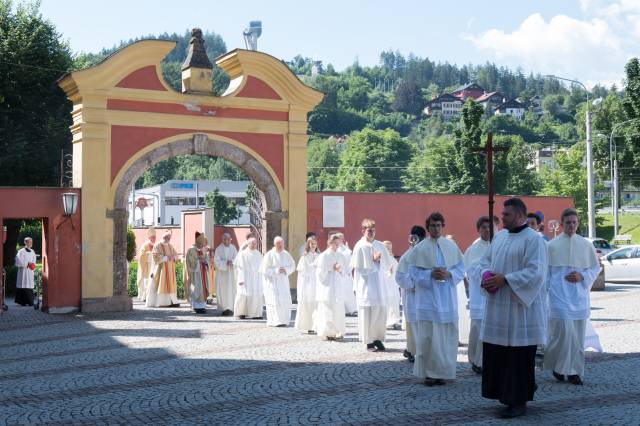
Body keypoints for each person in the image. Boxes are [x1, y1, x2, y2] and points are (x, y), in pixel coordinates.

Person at [479, 198, 548, 419]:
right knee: (500, 355)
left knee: (517, 358)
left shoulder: (534, 240)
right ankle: (503, 395)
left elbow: (536, 272)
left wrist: (506, 280)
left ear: (520, 216)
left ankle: (519, 400)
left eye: (506, 214)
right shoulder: (498, 238)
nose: (502, 217)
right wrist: (486, 276)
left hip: (520, 312)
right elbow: (483, 263)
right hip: (498, 310)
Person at [407, 212, 465, 386]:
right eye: (433, 225)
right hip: (428, 298)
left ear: (443, 226)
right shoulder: (419, 248)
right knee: (429, 337)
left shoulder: (451, 246)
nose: (436, 228)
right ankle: (429, 373)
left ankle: (443, 372)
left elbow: (461, 268)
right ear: (428, 227)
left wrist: (450, 273)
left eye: (439, 225)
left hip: (447, 297)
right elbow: (413, 272)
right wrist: (429, 273)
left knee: (446, 337)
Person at [544, 208, 600, 386]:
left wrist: (582, 276)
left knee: (576, 336)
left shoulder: (586, 245)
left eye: (574, 222)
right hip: (558, 296)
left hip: (579, 296)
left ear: (578, 223)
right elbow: (545, 272)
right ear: (561, 225)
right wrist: (547, 291)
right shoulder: (550, 246)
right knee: (562, 334)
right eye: (568, 223)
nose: (571, 226)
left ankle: (575, 371)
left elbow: (594, 268)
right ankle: (559, 367)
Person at [351, 218, 393, 352]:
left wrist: (387, 267)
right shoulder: (360, 246)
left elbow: (387, 264)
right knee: (367, 313)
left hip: (379, 285)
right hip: (367, 285)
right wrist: (374, 261)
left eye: (373, 231)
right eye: (369, 231)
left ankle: (378, 338)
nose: (372, 233)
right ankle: (368, 341)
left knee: (380, 312)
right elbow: (361, 269)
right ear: (363, 231)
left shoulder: (380, 245)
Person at [463, 216, 492, 374]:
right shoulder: (473, 249)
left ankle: (488, 361)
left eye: (489, 227)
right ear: (478, 229)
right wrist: (486, 272)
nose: (487, 230)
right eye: (484, 227)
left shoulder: (498, 245)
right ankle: (476, 360)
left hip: (495, 294)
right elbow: (472, 270)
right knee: (478, 328)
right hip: (479, 295)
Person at [396, 225, 426, 363]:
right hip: (412, 296)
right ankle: (413, 350)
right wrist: (413, 284)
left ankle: (423, 350)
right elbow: (400, 276)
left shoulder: (427, 254)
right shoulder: (406, 256)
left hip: (426, 297)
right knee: (413, 324)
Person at [314, 234, 348, 340]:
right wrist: (331, 268)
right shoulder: (324, 256)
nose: (338, 245)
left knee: (338, 310)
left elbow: (346, 271)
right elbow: (319, 273)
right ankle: (327, 332)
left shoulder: (341, 255)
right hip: (327, 287)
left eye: (339, 243)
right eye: (335, 243)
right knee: (327, 310)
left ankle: (338, 331)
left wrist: (340, 270)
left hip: (337, 286)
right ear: (330, 243)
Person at [260, 236, 295, 327]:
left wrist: (285, 270)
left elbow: (292, 266)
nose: (281, 246)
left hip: (283, 282)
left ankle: (284, 320)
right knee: (274, 301)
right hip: (273, 283)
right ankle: (275, 321)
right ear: (275, 244)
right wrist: (275, 271)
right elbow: (264, 269)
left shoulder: (286, 254)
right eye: (279, 244)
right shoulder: (269, 255)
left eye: (282, 244)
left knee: (284, 301)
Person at [233, 237, 264, 319]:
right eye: (252, 243)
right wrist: (241, 279)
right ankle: (241, 313)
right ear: (248, 244)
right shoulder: (243, 254)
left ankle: (255, 314)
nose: (254, 245)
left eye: (255, 243)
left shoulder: (258, 254)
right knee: (243, 295)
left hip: (256, 279)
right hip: (246, 278)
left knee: (256, 295)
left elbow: (262, 267)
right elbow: (240, 268)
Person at [148, 232, 180, 308]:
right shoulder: (157, 245)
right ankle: (161, 302)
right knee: (162, 284)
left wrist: (174, 258)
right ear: (163, 237)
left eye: (169, 238)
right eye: (167, 238)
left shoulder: (170, 245)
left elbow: (176, 255)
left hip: (170, 269)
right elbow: (155, 256)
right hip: (161, 269)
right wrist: (165, 258)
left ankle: (172, 301)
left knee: (171, 285)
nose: (168, 239)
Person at [294, 237, 319, 333]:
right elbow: (302, 274)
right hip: (308, 284)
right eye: (312, 244)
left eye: (315, 244)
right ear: (308, 245)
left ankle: (316, 325)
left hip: (316, 284)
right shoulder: (304, 257)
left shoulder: (318, 256)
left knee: (316, 305)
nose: (313, 246)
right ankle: (309, 326)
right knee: (308, 304)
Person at [185, 231, 209, 314]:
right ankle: (196, 306)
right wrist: (199, 261)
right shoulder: (191, 250)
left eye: (203, 244)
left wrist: (205, 261)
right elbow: (191, 262)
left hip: (202, 272)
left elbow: (206, 259)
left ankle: (201, 306)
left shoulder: (202, 249)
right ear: (197, 242)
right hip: (195, 273)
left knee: (202, 288)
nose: (202, 245)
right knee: (196, 288)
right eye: (201, 243)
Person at [214, 233, 238, 316]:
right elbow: (216, 261)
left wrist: (232, 262)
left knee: (231, 290)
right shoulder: (218, 249)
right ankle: (224, 308)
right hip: (222, 274)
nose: (226, 241)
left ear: (230, 239)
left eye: (228, 239)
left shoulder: (233, 248)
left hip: (231, 273)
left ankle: (231, 308)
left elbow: (237, 259)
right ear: (222, 240)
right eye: (225, 239)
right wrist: (225, 263)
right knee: (223, 291)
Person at [336, 232, 358, 316]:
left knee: (349, 292)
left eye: (342, 237)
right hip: (339, 273)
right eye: (339, 237)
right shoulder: (335, 248)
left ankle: (352, 309)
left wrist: (349, 270)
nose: (341, 239)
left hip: (347, 273)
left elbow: (351, 259)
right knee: (341, 292)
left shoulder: (346, 248)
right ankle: (343, 310)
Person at [383, 241, 401, 330]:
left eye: (390, 248)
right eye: (387, 248)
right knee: (387, 303)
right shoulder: (381, 259)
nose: (389, 250)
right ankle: (387, 322)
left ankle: (395, 321)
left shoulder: (392, 258)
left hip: (394, 284)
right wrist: (388, 272)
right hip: (386, 284)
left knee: (394, 302)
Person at [15, 237, 37, 306]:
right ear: (25, 242)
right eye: (29, 242)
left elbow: (34, 260)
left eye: (31, 242)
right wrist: (27, 264)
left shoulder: (32, 251)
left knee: (29, 285)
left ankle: (30, 301)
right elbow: (18, 260)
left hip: (30, 271)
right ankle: (22, 302)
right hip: (23, 271)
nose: (30, 243)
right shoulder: (21, 251)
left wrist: (33, 264)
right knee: (23, 284)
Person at [136, 228, 156, 302]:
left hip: (152, 266)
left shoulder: (155, 245)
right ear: (149, 238)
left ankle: (150, 296)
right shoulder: (145, 245)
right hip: (146, 266)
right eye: (152, 237)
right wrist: (149, 254)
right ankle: (144, 296)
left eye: (155, 237)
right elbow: (141, 255)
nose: (154, 239)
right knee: (145, 281)